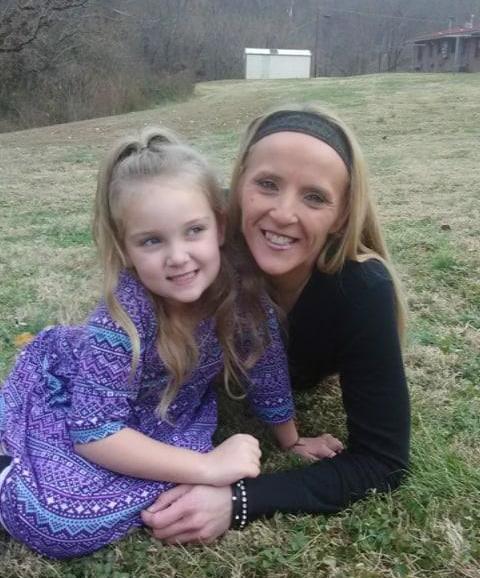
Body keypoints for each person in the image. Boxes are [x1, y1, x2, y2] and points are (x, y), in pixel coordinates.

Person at [0, 127, 342, 559]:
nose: (178, 257)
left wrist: (290, 440)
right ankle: (8, 470)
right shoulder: (122, 320)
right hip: (69, 398)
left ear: (219, 226)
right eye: (152, 240)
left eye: (193, 230)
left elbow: (267, 366)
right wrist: (208, 466)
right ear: (125, 249)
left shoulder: (240, 291)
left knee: (172, 494)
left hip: (167, 416)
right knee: (62, 522)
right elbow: (94, 432)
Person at [141, 104, 411, 544]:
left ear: (342, 215)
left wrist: (238, 501)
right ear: (238, 185)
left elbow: (383, 461)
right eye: (267, 184)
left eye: (315, 197)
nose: (284, 214)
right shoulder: (197, 247)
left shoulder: (362, 290)